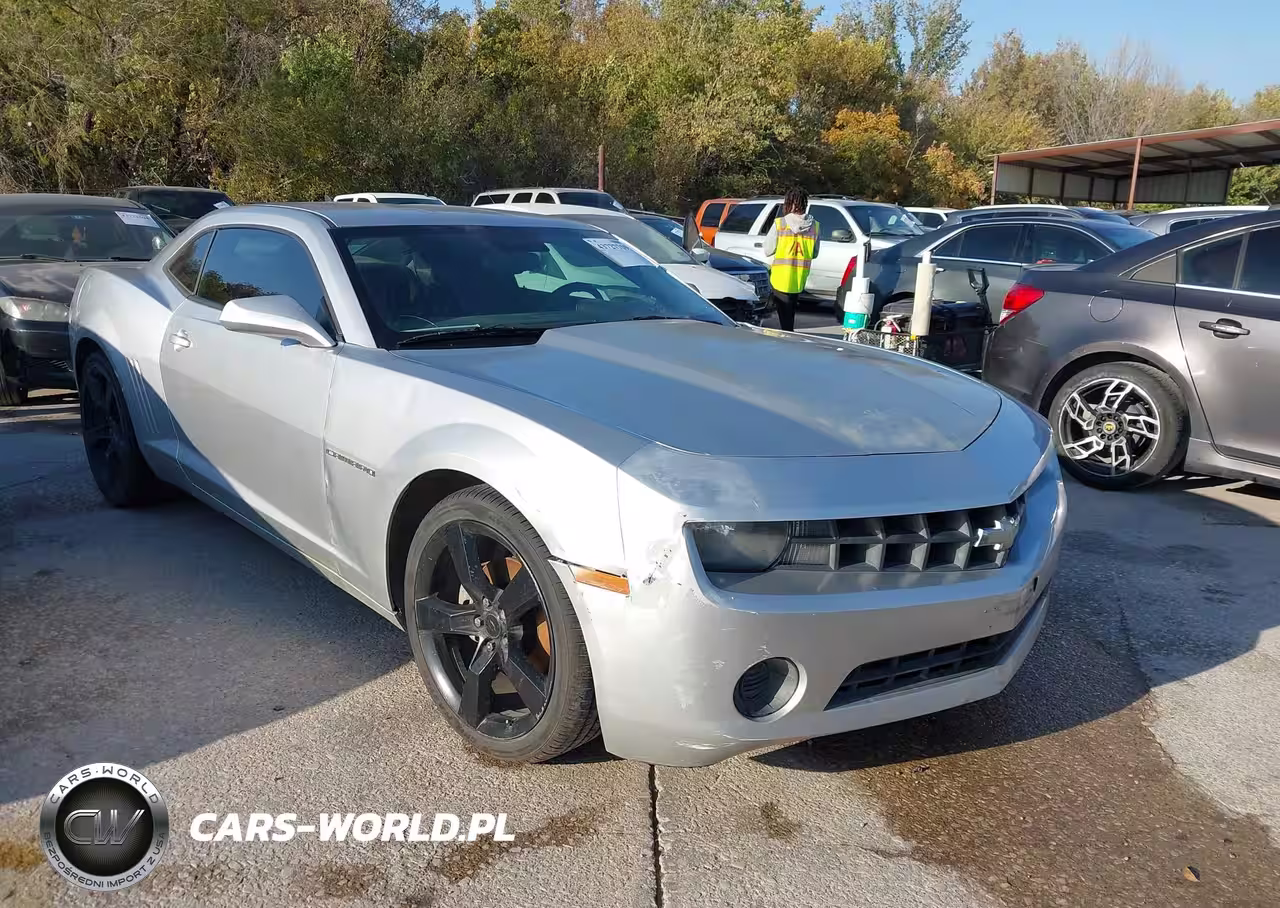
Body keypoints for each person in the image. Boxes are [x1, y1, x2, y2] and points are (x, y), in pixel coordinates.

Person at [763, 188, 819, 332]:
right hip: (799, 278)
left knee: (784, 317)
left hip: (780, 278)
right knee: (790, 314)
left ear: (789, 204)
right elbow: (814, 253)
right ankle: (788, 335)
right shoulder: (815, 226)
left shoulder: (780, 223)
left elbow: (768, 250)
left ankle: (787, 339)